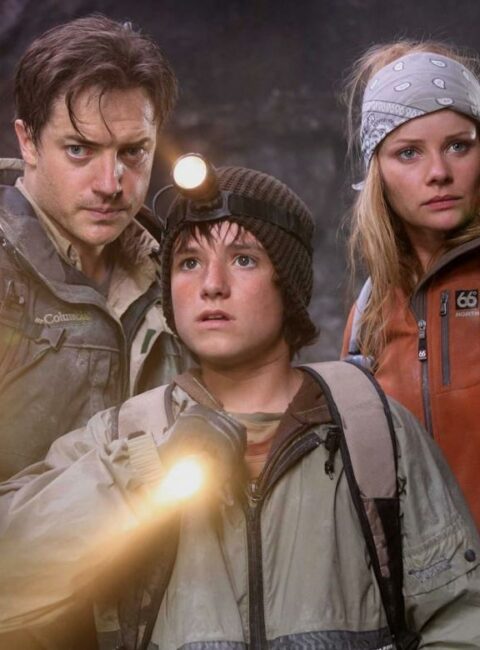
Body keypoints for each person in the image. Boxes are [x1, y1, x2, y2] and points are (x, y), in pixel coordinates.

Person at [0, 159, 479, 649]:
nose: (212, 284)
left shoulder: (372, 431)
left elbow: (462, 620)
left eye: (244, 259)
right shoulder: (125, 435)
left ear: (288, 285)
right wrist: (142, 472)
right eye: (189, 263)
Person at [0, 15, 188, 481]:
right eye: (79, 150)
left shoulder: (181, 276)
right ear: (28, 141)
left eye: (132, 152)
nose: (110, 184)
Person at [341, 41, 480, 529]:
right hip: (421, 575)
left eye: (459, 145)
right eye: (408, 153)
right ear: (377, 170)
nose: (439, 173)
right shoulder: (369, 312)